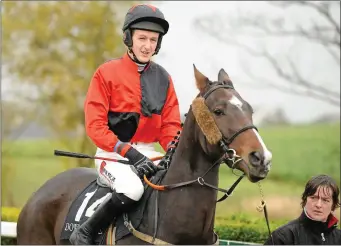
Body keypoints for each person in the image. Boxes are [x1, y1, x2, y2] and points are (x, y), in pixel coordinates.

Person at [69, 3, 182, 245]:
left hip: (150, 153)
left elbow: (170, 127)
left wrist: (173, 151)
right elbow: (96, 126)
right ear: (128, 38)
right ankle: (85, 232)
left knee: (179, 183)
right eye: (142, 38)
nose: (147, 45)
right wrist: (127, 152)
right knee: (132, 189)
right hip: (112, 154)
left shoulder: (164, 78)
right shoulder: (105, 73)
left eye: (153, 40)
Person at [264, 174, 341, 245]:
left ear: (333, 205)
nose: (318, 205)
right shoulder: (283, 236)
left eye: (325, 200)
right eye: (313, 198)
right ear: (305, 199)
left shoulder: (339, 238)